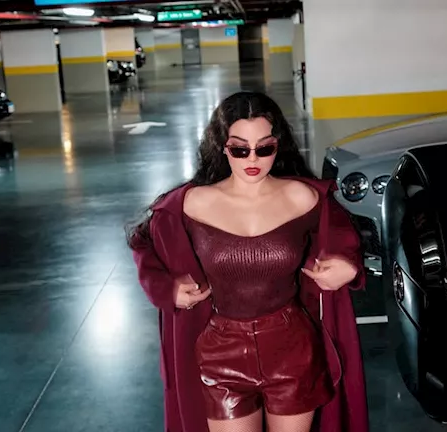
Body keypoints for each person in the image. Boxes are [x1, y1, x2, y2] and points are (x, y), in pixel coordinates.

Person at [129, 91, 369, 432]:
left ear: (278, 145)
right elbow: (143, 241)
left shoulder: (303, 197)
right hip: (220, 354)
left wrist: (349, 264)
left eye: (264, 148)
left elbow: (346, 236)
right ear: (222, 147)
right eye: (240, 149)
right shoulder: (190, 204)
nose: (252, 159)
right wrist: (165, 289)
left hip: (292, 350)